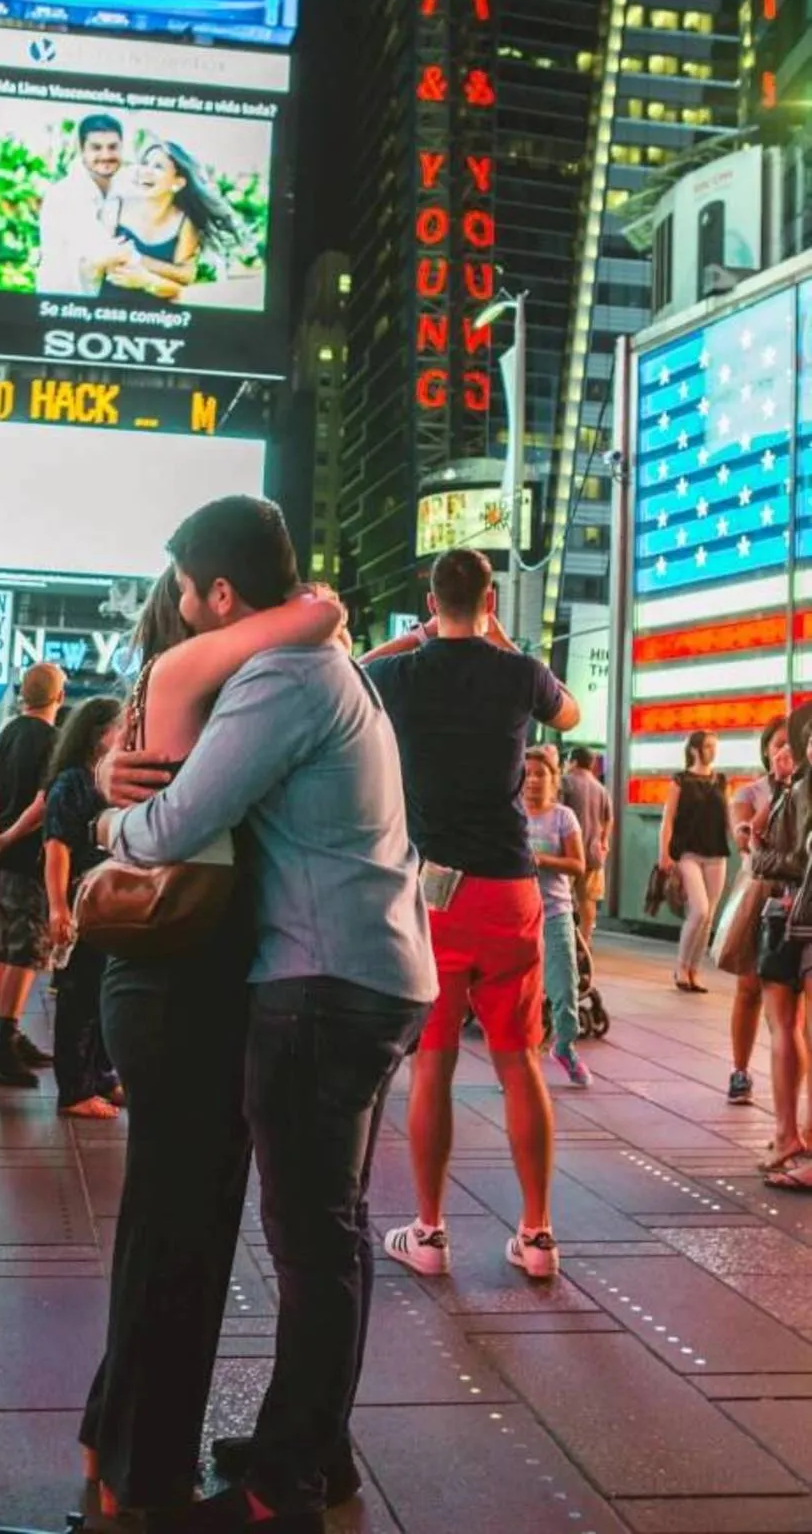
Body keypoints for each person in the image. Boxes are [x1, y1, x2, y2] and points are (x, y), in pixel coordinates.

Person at [94, 497, 437, 1533]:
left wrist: (106, 810)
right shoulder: (332, 669)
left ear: (223, 595)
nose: (190, 611)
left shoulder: (283, 678)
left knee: (312, 1242)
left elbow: (177, 821)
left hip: (321, 983)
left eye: (192, 593)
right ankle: (310, 1452)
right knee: (329, 1231)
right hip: (372, 972)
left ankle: (273, 1488)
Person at [81, 569, 343, 1518]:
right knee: (185, 1242)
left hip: (158, 979)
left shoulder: (168, 677)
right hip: (191, 984)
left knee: (161, 1225)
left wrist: (101, 794)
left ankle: (111, 1440)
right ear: (217, 600)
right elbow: (323, 613)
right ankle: (144, 1477)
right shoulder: (201, 671)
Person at [363, 548, 580, 1281]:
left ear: (431, 596)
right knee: (519, 1059)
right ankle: (538, 1235)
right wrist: (505, 642)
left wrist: (416, 638)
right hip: (512, 889)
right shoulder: (517, 673)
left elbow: (349, 670)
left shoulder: (401, 674)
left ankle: (427, 1232)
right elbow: (571, 710)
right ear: (491, 597)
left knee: (433, 1062)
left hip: (434, 894)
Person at [0, 663, 66, 1087]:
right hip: (29, 859)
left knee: (4, 950)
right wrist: (10, 838)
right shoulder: (53, 740)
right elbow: (46, 800)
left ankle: (6, 1035)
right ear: (58, 698)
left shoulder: (7, 733)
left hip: (3, 860)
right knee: (26, 952)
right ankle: (5, 1043)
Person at [42, 697, 124, 1120]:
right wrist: (58, 908)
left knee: (101, 992)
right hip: (83, 901)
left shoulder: (108, 778)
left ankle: (101, 1076)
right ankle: (75, 1089)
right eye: (120, 727)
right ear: (98, 735)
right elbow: (56, 848)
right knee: (80, 995)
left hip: (108, 901)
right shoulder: (73, 783)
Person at [751, 704, 812, 1187]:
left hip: (800, 915)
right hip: (791, 916)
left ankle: (795, 1135)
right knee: (783, 1025)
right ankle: (788, 1133)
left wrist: (759, 850)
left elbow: (786, 859)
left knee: (792, 1027)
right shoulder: (791, 792)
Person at [719, 717, 792, 1105]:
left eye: (794, 743)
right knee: (749, 987)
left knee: (793, 1001)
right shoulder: (750, 792)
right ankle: (740, 1069)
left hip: (799, 897)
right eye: (779, 744)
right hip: (759, 894)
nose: (786, 751)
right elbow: (746, 840)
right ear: (766, 749)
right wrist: (780, 791)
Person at [100, 137, 238, 305]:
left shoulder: (184, 222)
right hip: (109, 309)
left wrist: (142, 270)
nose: (146, 171)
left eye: (158, 167)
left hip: (160, 316)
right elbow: (106, 264)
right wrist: (161, 278)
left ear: (178, 183)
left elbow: (185, 277)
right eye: (145, 163)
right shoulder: (116, 208)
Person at [525, 746, 591, 1088]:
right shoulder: (511, 814)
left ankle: (564, 1046)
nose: (534, 781)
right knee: (522, 991)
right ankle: (521, 1059)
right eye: (528, 774)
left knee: (564, 988)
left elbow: (578, 865)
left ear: (553, 779)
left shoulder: (563, 816)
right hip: (518, 914)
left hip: (555, 913)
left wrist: (543, 860)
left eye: (541, 774)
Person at [658, 731, 733, 991]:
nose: (713, 751)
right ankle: (681, 966)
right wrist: (664, 854)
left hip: (716, 853)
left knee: (709, 915)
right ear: (694, 750)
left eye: (715, 746)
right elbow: (667, 820)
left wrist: (744, 842)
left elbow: (729, 819)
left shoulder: (721, 781)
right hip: (688, 853)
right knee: (699, 909)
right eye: (708, 746)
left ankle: (694, 969)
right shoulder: (680, 781)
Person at [36, 114, 132, 296]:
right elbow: (103, 254)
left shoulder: (119, 191)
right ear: (82, 150)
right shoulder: (66, 194)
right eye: (96, 148)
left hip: (98, 304)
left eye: (113, 147)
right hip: (61, 303)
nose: (106, 155)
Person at [561, 746, 612, 955]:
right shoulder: (601, 788)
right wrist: (603, 840)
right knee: (587, 900)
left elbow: (559, 814)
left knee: (561, 898)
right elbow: (609, 818)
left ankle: (564, 941)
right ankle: (585, 941)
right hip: (593, 853)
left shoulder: (567, 782)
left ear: (573, 761)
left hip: (569, 853)